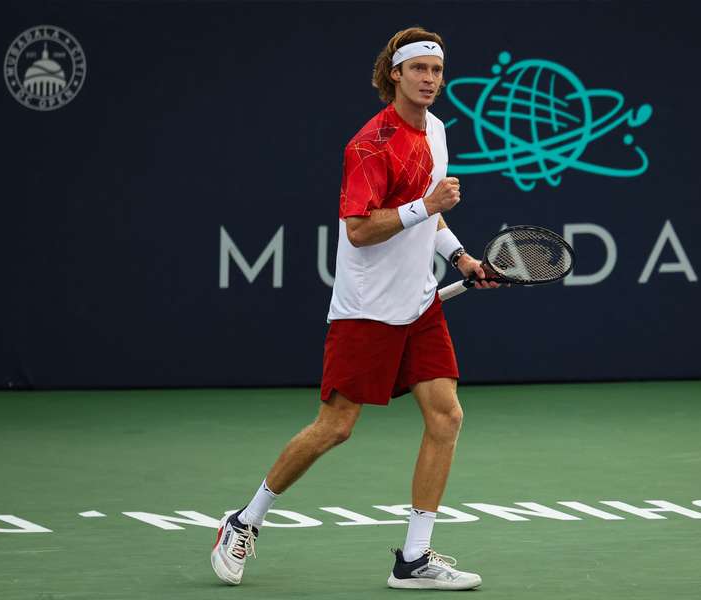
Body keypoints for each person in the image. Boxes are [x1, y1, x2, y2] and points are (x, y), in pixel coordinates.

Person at [211, 26, 496, 591]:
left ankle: (414, 559)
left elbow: (430, 216)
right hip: (366, 309)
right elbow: (362, 230)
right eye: (419, 70)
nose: (430, 80)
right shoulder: (368, 145)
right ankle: (244, 521)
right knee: (336, 427)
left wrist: (459, 255)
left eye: (437, 71)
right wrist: (425, 206)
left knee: (447, 416)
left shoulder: (436, 131)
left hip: (419, 304)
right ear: (395, 73)